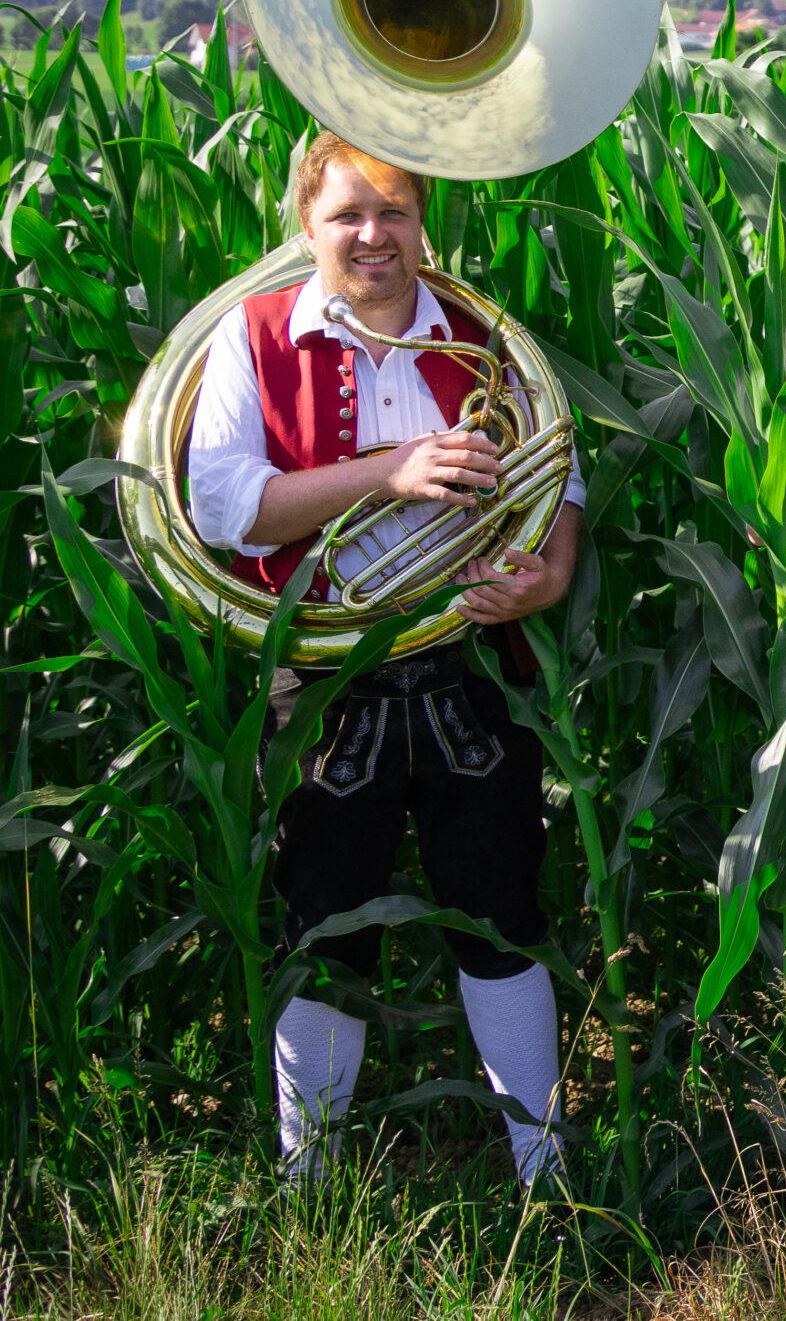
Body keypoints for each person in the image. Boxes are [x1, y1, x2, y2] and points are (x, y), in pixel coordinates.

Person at [188, 131, 586, 1188]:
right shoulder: (252, 333)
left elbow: (563, 475)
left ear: (424, 220)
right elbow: (224, 507)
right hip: (324, 682)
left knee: (503, 920)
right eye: (347, 215)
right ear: (306, 225)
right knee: (323, 930)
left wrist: (548, 573)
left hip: (473, 669)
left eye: (395, 211)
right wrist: (389, 472)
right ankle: (310, 1185)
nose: (373, 234)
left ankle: (544, 1178)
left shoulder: (482, 336)